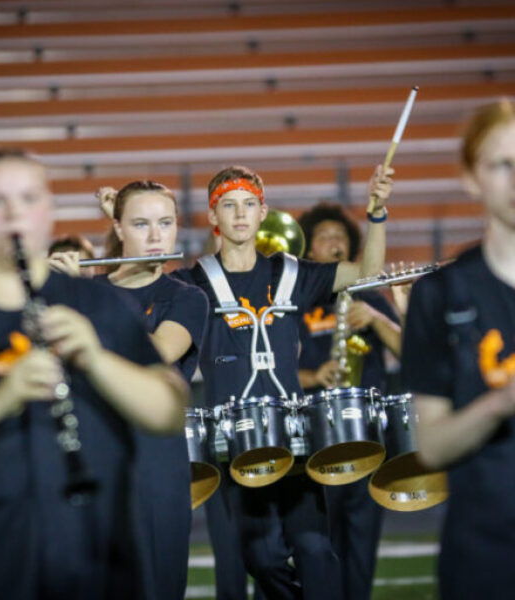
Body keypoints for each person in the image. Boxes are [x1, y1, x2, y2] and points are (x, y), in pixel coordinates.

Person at [0, 148, 188, 600]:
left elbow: (169, 411)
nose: (13, 213)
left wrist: (96, 359)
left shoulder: (100, 304)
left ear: (50, 211)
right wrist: (1, 398)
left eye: (28, 198)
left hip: (94, 556)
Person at [174, 162, 393, 599]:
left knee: (315, 549)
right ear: (213, 217)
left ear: (262, 213)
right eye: (229, 205)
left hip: (295, 444)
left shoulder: (292, 273)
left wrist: (376, 214)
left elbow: (367, 273)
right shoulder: (191, 283)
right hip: (234, 450)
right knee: (264, 560)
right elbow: (139, 294)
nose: (240, 213)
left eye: (249, 205)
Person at [401, 99, 515, 600]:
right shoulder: (440, 294)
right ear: (472, 179)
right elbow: (433, 446)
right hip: (484, 553)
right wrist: (500, 403)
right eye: (502, 164)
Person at [95, 181, 209, 600]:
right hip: (97, 457)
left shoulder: (186, 297)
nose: (156, 235)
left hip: (158, 461)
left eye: (165, 223)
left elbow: (156, 352)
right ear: (119, 228)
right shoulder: (88, 294)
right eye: (141, 224)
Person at [297, 202, 401, 600]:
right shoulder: (297, 302)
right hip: (314, 437)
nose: (335, 244)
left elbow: (412, 352)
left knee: (361, 544)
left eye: (341, 237)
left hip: (368, 437)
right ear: (309, 252)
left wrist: (377, 320)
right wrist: (312, 376)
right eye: (325, 237)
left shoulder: (369, 299)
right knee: (318, 544)